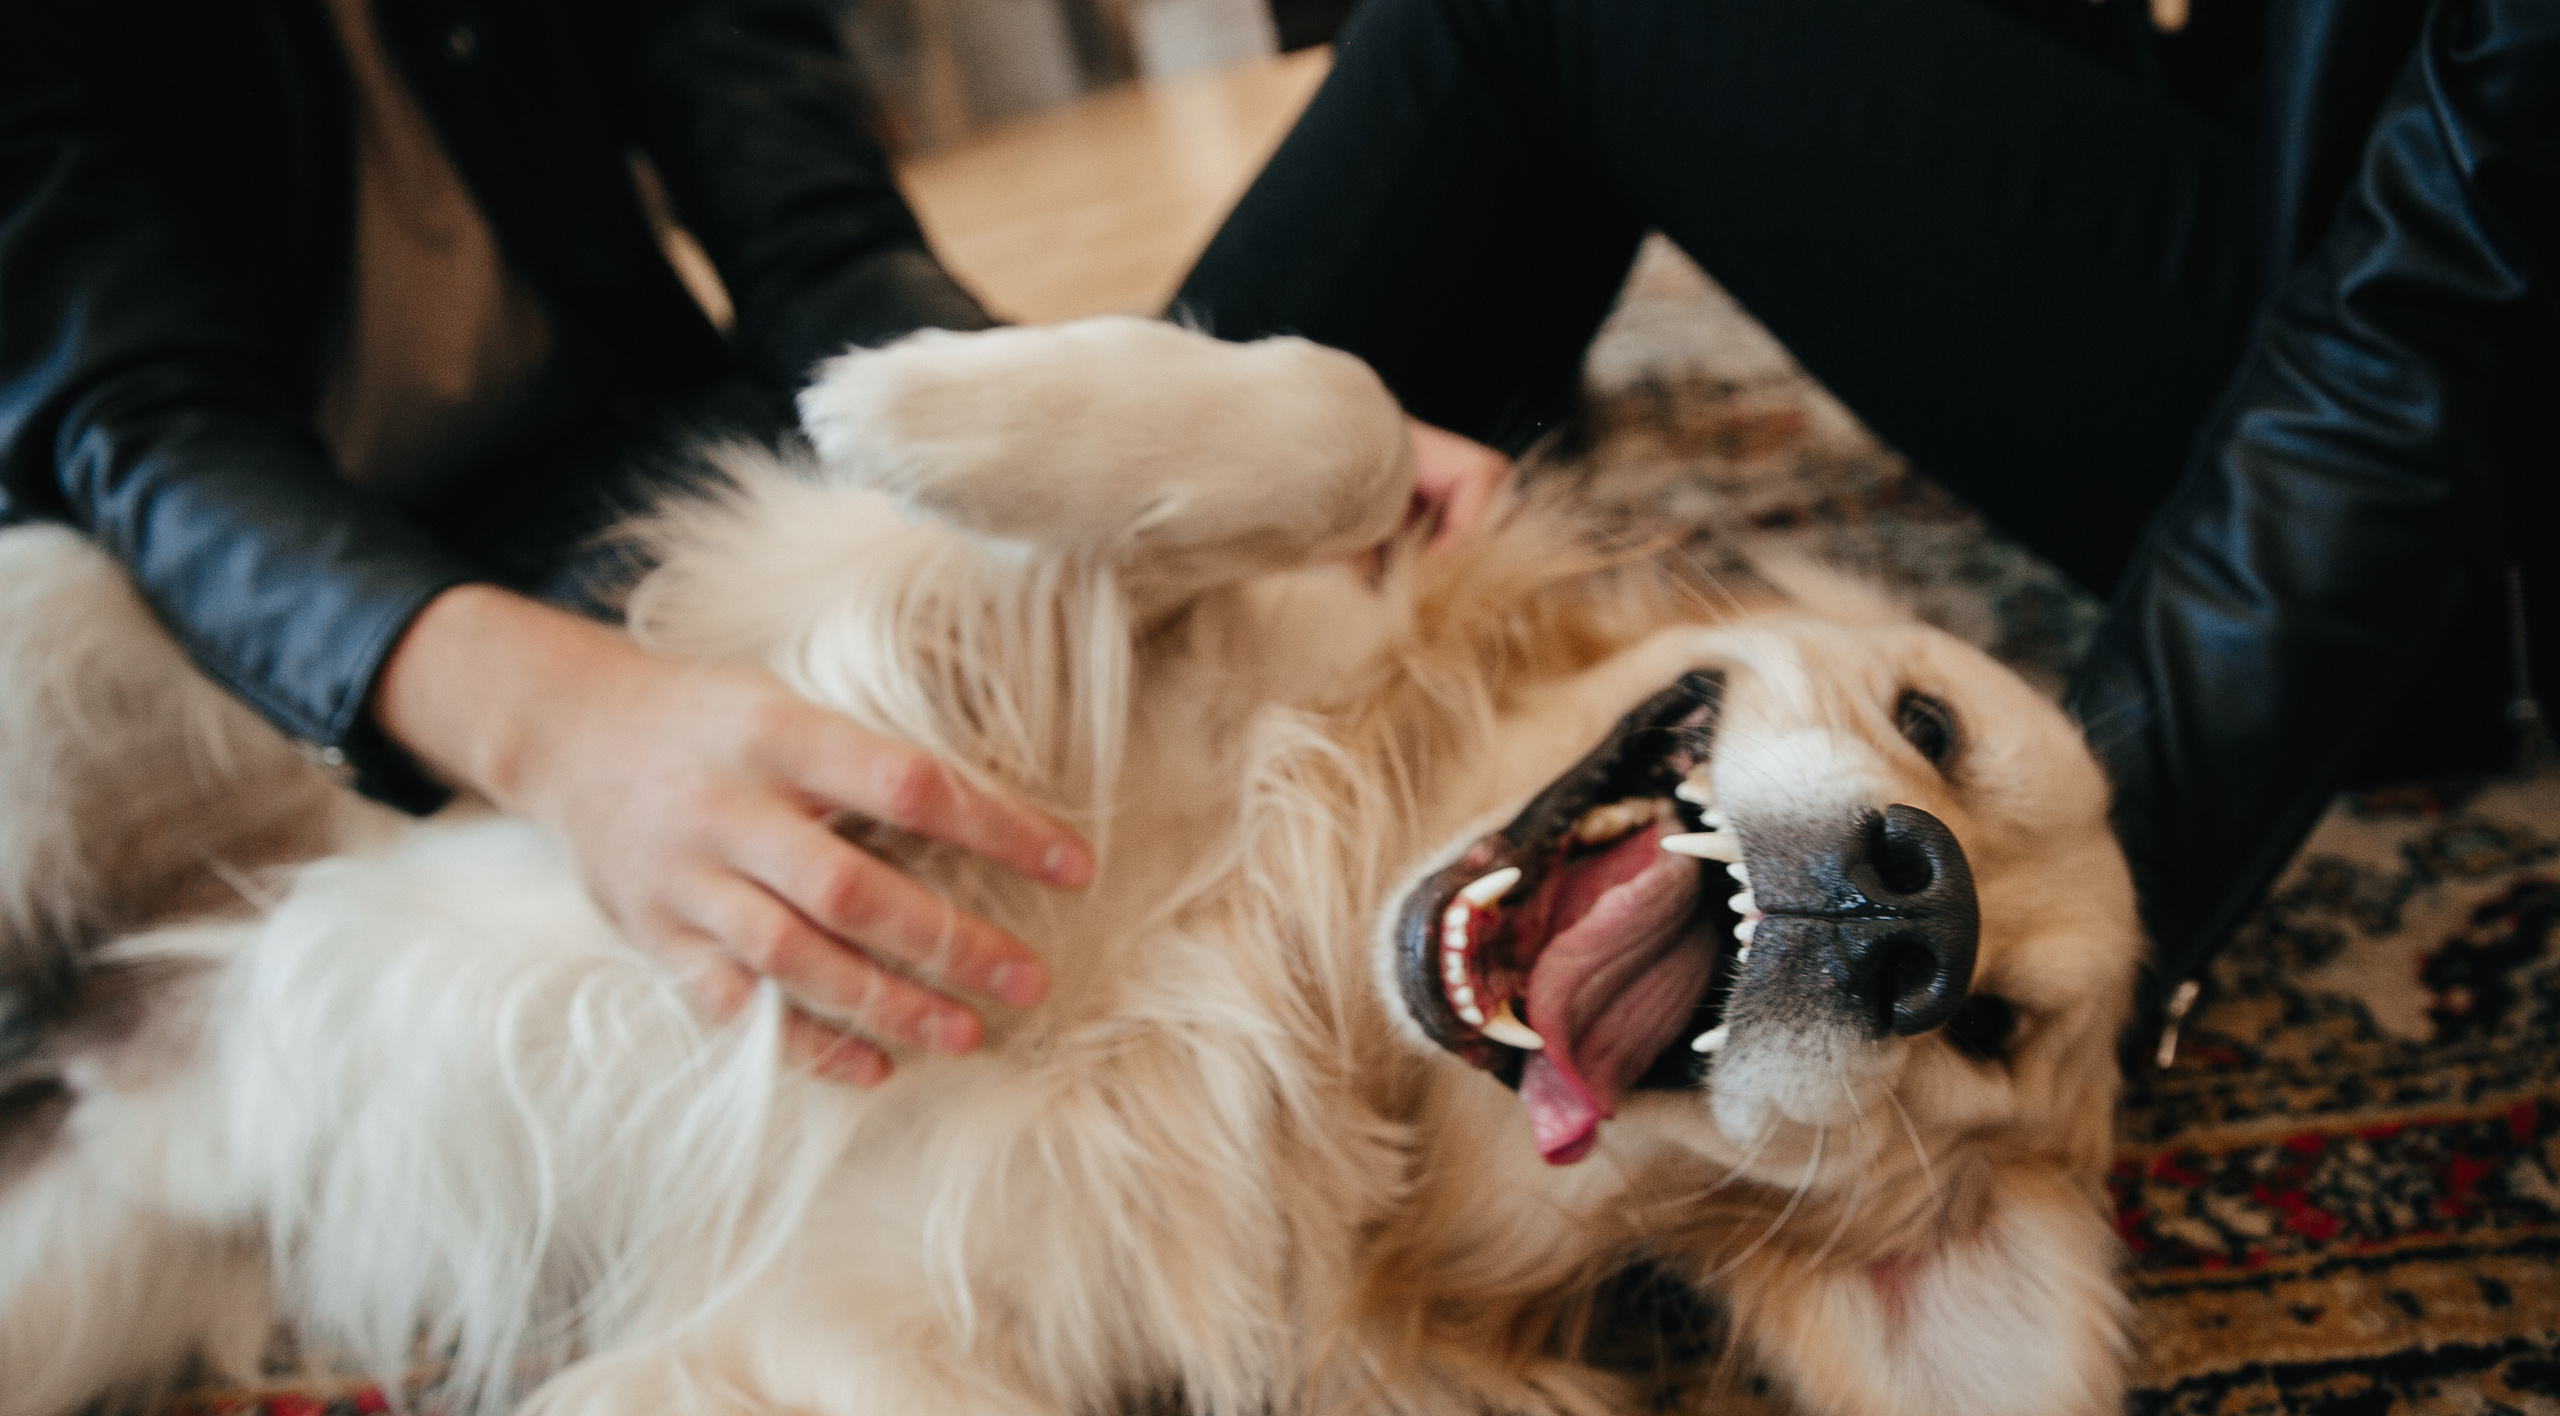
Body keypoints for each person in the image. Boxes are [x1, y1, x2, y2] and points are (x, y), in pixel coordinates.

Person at [1174, 0, 2560, 1041]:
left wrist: (2067, 939)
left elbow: (2425, 327)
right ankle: (1119, 528)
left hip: (2446, 505)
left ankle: (1081, 590)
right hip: (2311, 135)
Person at [0, 0, 1105, 1084]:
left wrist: (1025, 445)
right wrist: (554, 724)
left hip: (640, 465)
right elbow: (145, 434)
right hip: (300, 618)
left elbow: (820, 239)